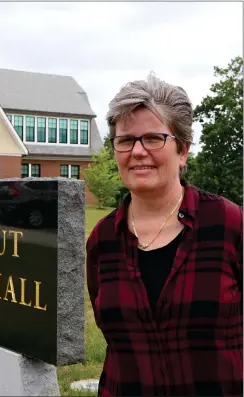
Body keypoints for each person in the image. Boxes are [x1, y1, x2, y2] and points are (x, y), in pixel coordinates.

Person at [86, 73, 242, 397]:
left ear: (182, 150)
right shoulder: (103, 241)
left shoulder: (228, 225)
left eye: (153, 138)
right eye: (126, 140)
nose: (138, 151)